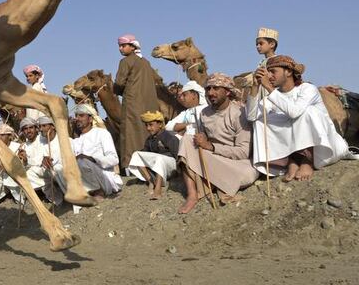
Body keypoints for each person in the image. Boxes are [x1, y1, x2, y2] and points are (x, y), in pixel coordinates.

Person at [248, 55, 349, 182]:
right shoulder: (273, 97)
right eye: (267, 73)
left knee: (307, 112)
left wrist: (269, 88)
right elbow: (251, 116)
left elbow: (294, 112)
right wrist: (255, 86)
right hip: (292, 148)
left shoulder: (307, 89)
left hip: (325, 148)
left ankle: (307, 160)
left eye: (273, 72)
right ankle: (293, 159)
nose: (269, 76)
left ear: (288, 72)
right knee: (260, 121)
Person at [177, 73, 259, 214]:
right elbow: (202, 142)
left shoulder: (239, 113)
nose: (210, 93)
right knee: (186, 140)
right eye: (208, 89)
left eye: (215, 88)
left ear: (227, 91)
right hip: (213, 157)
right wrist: (202, 140)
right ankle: (192, 194)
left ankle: (215, 182)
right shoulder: (204, 113)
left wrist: (211, 146)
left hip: (236, 162)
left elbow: (243, 152)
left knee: (248, 173)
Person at [114, 34, 161, 169]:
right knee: (146, 130)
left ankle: (130, 165)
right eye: (119, 46)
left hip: (132, 102)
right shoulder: (146, 62)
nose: (120, 49)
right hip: (149, 103)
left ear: (133, 46)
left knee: (130, 133)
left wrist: (116, 90)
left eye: (123, 46)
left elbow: (119, 82)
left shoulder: (125, 61)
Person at [70, 104, 122, 202]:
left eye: (81, 116)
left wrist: (93, 159)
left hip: (105, 179)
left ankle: (99, 192)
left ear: (90, 119)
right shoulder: (75, 141)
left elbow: (114, 159)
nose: (77, 118)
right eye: (76, 116)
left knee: (82, 161)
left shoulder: (102, 133)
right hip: (85, 182)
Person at [128, 111, 180, 199]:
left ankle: (158, 190)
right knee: (136, 154)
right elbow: (145, 153)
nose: (148, 128)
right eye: (146, 125)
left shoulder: (169, 137)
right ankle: (151, 181)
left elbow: (176, 156)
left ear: (160, 124)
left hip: (171, 167)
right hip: (157, 167)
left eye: (151, 125)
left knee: (160, 158)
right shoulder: (150, 139)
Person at [3, 118, 49, 203]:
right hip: (35, 173)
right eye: (25, 129)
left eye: (31, 128)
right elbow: (24, 164)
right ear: (23, 132)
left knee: (29, 173)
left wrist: (28, 161)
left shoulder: (44, 140)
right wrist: (22, 161)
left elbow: (41, 160)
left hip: (47, 169)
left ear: (36, 128)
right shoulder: (23, 146)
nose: (28, 131)